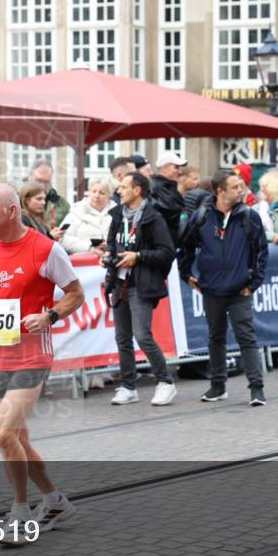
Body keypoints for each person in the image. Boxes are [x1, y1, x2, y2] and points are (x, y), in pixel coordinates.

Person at [0, 184, 85, 546]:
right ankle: (55, 501)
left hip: (33, 355)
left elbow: (76, 293)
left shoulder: (47, 249)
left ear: (11, 211)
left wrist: (49, 315)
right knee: (18, 438)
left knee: (2, 435)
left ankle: (20, 512)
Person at [178, 170, 269, 407]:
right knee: (215, 337)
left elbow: (261, 253)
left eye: (241, 186)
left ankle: (257, 388)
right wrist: (186, 274)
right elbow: (185, 247)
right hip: (212, 290)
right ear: (220, 191)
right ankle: (218, 386)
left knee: (246, 337)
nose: (242, 190)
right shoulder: (201, 217)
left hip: (240, 291)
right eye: (236, 187)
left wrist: (253, 284)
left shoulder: (249, 217)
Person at [105, 172, 178, 406]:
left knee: (143, 335)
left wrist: (138, 256)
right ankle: (128, 386)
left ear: (137, 190)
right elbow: (114, 243)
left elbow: (167, 252)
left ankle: (165, 382)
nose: (119, 190)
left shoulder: (153, 217)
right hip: (119, 281)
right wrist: (107, 255)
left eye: (124, 186)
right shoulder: (117, 216)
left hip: (141, 284)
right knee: (122, 337)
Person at [61, 178, 114, 256]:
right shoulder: (77, 211)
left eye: (102, 193)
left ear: (109, 195)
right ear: (89, 192)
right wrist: (89, 247)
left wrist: (110, 245)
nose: (97, 195)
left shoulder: (117, 213)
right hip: (82, 261)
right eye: (94, 191)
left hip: (111, 260)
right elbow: (63, 238)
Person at [149, 151, 186, 240]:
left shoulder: (167, 186)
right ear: (164, 167)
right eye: (176, 167)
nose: (180, 171)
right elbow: (171, 212)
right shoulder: (158, 187)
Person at [26, 159, 70, 232]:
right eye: (39, 181)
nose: (42, 186)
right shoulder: (15, 198)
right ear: (30, 177)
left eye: (46, 182)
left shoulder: (61, 203)